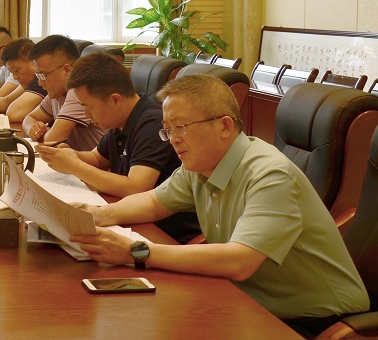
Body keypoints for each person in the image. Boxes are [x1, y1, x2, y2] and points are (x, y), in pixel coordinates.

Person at [70, 74, 369, 338]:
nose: (172, 140)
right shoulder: (199, 165)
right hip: (248, 298)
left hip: (316, 319)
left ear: (225, 125)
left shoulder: (270, 175)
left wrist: (135, 252)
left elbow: (239, 261)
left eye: (180, 127)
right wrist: (99, 215)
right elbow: (153, 202)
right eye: (168, 130)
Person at [41, 52, 200, 244]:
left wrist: (74, 166)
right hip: (135, 218)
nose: (86, 114)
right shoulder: (120, 120)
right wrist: (68, 155)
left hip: (165, 233)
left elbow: (136, 188)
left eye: (89, 107)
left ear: (115, 100)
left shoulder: (153, 122)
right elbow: (97, 159)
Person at [21, 35, 105, 151]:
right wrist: (34, 130)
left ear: (67, 70)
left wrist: (45, 134)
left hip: (99, 162)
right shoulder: (57, 93)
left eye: (43, 75)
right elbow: (29, 118)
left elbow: (52, 140)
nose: (40, 82)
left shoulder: (79, 91)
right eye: (38, 75)